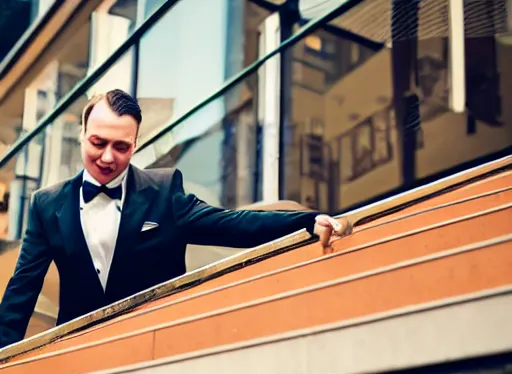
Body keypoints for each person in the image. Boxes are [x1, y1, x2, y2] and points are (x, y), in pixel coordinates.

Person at [0, 89, 351, 348]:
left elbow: (234, 224)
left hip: (155, 343)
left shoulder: (165, 191)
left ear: (135, 144)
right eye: (97, 142)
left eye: (121, 147)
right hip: (75, 350)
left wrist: (305, 221)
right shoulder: (46, 204)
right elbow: (21, 291)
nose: (107, 157)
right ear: (82, 135)